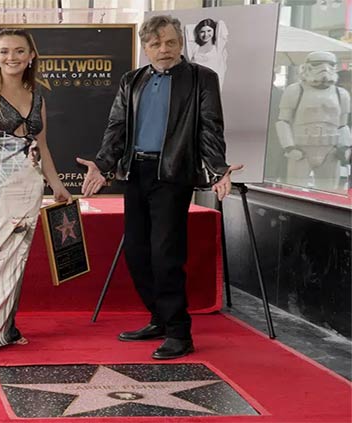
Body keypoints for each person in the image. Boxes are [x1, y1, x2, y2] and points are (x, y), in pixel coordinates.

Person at [76, 15, 242, 360]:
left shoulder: (201, 79)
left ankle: (180, 332)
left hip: (173, 176)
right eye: (155, 44)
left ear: (181, 43)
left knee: (166, 255)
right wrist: (105, 164)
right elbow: (116, 127)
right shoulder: (132, 79)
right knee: (137, 254)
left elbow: (210, 128)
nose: (163, 49)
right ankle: (160, 319)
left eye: (169, 42)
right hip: (136, 174)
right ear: (145, 47)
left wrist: (217, 170)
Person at [0, 28, 72, 360]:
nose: (12, 57)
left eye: (19, 51)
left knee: (15, 256)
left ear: (31, 55)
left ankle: (3, 328)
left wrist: (58, 185)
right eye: (4, 51)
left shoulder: (37, 94)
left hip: (28, 181)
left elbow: (43, 145)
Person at [276, 51, 351, 191]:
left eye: (331, 64)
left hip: (330, 151)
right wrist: (289, 147)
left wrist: (345, 147)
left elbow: (342, 125)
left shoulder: (342, 95)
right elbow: (283, 122)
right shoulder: (294, 91)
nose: (325, 68)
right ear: (307, 66)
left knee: (328, 193)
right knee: (295, 192)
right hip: (301, 150)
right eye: (317, 64)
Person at [187, 18, 228, 89]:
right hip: (196, 85)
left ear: (214, 31)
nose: (206, 34)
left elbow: (221, 24)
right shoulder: (195, 48)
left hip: (211, 86)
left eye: (209, 31)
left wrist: (211, 23)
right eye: (202, 31)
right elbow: (187, 28)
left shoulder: (217, 48)